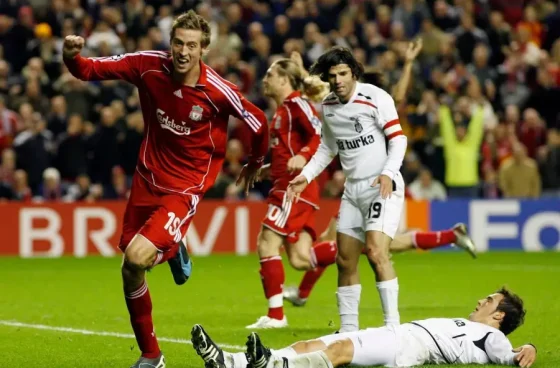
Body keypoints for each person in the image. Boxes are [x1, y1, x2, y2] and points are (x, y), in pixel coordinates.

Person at [62, 10, 269, 368]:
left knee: (136, 257)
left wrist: (253, 162)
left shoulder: (217, 90)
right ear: (169, 43)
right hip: (146, 179)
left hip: (183, 189)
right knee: (130, 269)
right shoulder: (146, 65)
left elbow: (258, 121)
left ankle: (168, 249)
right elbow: (88, 70)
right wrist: (71, 55)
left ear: (204, 49)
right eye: (178, 43)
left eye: (192, 45)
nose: (183, 51)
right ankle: (152, 355)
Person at [287, 46, 408, 333]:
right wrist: (306, 176)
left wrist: (388, 173)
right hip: (353, 191)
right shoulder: (328, 106)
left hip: (382, 186)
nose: (338, 80)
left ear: (353, 73)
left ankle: (394, 329)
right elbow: (327, 148)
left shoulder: (376, 97)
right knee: (344, 260)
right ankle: (349, 332)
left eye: (343, 73)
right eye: (333, 76)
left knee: (377, 253)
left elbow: (398, 139)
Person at [191, 288, 537, 368]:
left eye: (490, 301)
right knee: (312, 343)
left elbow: (507, 357)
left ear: (500, 317)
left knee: (338, 353)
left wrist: (527, 350)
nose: (481, 301)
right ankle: (231, 362)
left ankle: (274, 367)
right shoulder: (473, 326)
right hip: (399, 332)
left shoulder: (492, 336)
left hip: (409, 346)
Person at [246, 58, 338, 329]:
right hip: (287, 183)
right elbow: (287, 152)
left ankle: (275, 317)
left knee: (266, 242)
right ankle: (355, 248)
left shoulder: (297, 104)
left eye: (271, 74)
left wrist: (303, 155)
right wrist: (266, 169)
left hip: (294, 187)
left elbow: (320, 134)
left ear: (285, 80)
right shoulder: (282, 111)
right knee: (300, 259)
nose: (265, 79)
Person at [283, 222, 476, 306]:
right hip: (371, 197)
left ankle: (301, 295)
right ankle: (453, 235)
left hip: (371, 199)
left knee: (340, 248)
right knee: (398, 243)